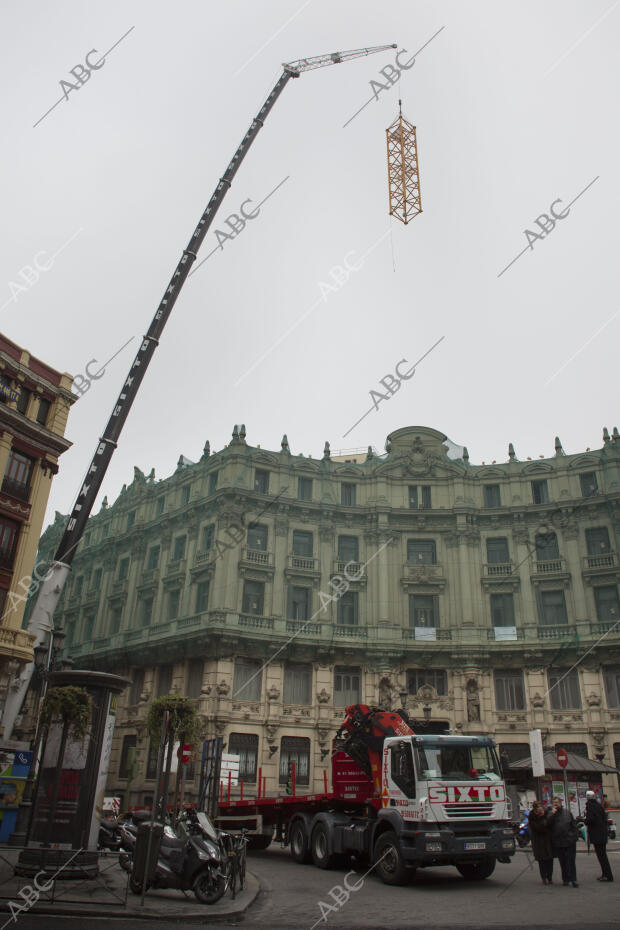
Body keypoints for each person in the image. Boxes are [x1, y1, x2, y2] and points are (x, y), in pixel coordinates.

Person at [546, 796, 578, 887]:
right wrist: (552, 814)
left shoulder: (567, 813)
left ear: (560, 803)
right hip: (559, 841)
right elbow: (548, 824)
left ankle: (573, 879)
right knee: (563, 861)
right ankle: (565, 879)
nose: (556, 804)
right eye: (554, 803)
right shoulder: (551, 813)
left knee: (571, 861)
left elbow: (573, 825)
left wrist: (574, 837)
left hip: (569, 840)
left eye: (557, 802)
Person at [585, 790, 614, 882]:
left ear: (587, 797)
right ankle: (606, 874)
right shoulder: (599, 805)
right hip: (602, 833)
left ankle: (607, 875)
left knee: (601, 856)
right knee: (603, 855)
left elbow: (590, 819)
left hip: (596, 834)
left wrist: (585, 820)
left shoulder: (589, 806)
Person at [529, 800, 554, 884]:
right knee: (542, 861)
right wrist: (543, 821)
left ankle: (550, 877)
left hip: (547, 841)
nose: (540, 808)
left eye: (541, 806)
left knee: (549, 860)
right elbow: (538, 828)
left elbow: (550, 825)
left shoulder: (546, 814)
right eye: (538, 807)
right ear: (535, 809)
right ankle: (544, 877)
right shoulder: (532, 817)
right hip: (538, 842)